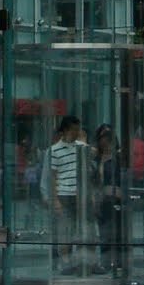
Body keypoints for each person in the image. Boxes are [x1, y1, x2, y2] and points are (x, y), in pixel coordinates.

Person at [48, 115, 85, 270]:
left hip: (78, 193)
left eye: (78, 130)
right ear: (65, 131)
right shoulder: (55, 150)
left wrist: (83, 139)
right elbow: (52, 176)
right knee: (64, 230)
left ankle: (78, 260)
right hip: (64, 193)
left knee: (78, 229)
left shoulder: (80, 146)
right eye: (73, 130)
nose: (76, 132)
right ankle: (65, 262)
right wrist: (55, 199)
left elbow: (94, 154)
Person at [92, 124, 124, 273]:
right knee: (104, 232)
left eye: (108, 138)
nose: (104, 141)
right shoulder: (97, 159)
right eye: (102, 138)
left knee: (117, 232)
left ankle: (118, 262)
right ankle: (105, 262)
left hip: (116, 199)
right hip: (102, 200)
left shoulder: (119, 157)